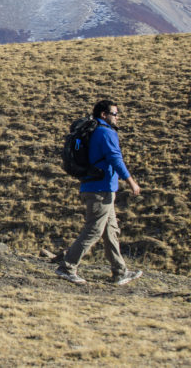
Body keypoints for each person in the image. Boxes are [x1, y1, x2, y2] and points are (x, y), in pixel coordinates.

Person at [55, 100, 143, 285]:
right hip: (100, 189)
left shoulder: (94, 131)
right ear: (104, 115)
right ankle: (67, 267)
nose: (117, 118)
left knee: (110, 231)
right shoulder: (106, 132)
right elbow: (115, 159)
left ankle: (120, 272)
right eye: (115, 114)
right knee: (94, 230)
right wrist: (131, 182)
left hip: (95, 187)